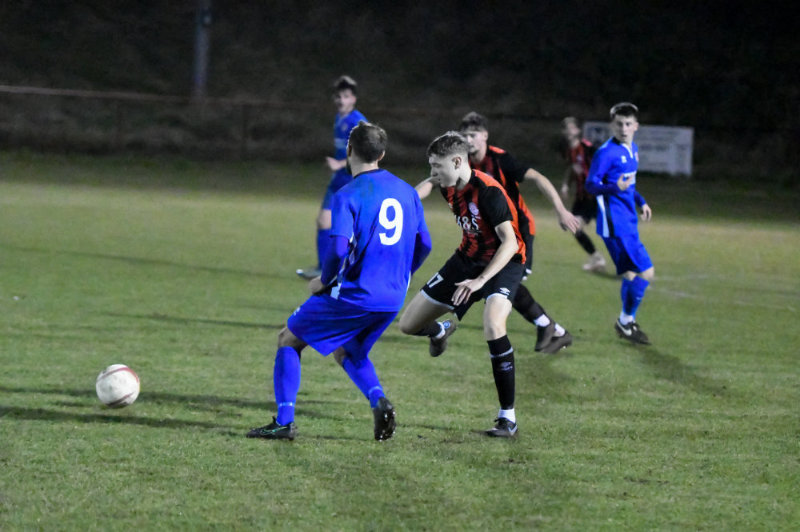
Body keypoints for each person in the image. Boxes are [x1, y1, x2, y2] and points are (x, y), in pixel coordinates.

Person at [248, 121, 432, 441]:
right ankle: (379, 400)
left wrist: (324, 280)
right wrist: (402, 276)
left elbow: (337, 249)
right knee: (350, 351)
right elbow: (425, 244)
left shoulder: (347, 193)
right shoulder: (406, 191)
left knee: (288, 339)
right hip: (391, 298)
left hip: (356, 294)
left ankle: (284, 422)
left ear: (349, 150)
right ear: (382, 154)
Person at [416, 112, 581, 354]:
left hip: (517, 233)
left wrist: (561, 210)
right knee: (501, 284)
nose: (469, 140)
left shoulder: (500, 159)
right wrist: (410, 198)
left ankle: (549, 327)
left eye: (473, 134)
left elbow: (538, 178)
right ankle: (550, 327)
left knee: (505, 282)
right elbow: (431, 181)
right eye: (465, 135)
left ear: (485, 135)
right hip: (485, 238)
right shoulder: (461, 164)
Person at [399, 131, 527, 438]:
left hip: (504, 262)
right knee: (408, 324)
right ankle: (439, 331)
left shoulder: (488, 192)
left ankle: (507, 417)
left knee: (493, 324)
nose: (433, 172)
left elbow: (510, 242)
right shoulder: (448, 183)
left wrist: (480, 281)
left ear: (457, 162)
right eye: (431, 166)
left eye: (437, 166)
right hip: (465, 260)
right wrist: (408, 199)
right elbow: (429, 184)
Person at [584, 102, 654, 345]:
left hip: (628, 220)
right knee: (646, 272)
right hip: (614, 223)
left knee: (631, 274)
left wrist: (641, 201)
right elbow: (590, 185)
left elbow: (629, 185)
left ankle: (626, 322)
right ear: (612, 126)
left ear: (636, 126)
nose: (623, 129)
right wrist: (614, 187)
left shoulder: (632, 149)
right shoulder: (606, 153)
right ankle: (625, 321)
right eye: (619, 124)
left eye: (627, 124)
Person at [296, 75, 367, 280]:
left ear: (353, 99)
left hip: (354, 181)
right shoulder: (339, 118)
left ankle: (371, 269)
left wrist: (340, 164)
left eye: (346, 96)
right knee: (323, 222)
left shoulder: (358, 122)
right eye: (338, 96)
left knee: (357, 229)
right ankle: (323, 269)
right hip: (339, 180)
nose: (341, 100)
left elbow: (366, 152)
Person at [559, 116, 605, 272]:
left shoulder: (587, 148)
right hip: (581, 197)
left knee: (609, 230)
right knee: (573, 226)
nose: (568, 131)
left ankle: (600, 258)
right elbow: (572, 169)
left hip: (593, 195)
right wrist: (566, 185)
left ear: (578, 130)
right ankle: (597, 258)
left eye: (571, 128)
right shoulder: (569, 151)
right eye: (566, 129)